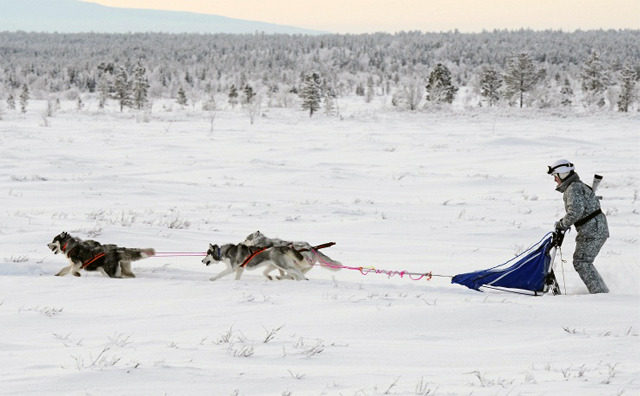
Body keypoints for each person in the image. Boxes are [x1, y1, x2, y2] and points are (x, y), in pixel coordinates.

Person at [547, 159, 609, 294]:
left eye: (555, 176)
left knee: (582, 262)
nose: (555, 180)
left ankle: (601, 294)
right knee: (583, 261)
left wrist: (562, 225)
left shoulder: (573, 188)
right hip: (595, 229)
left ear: (563, 175)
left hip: (593, 230)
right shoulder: (575, 186)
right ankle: (601, 292)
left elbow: (575, 211)